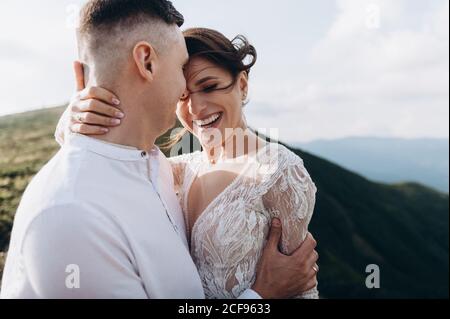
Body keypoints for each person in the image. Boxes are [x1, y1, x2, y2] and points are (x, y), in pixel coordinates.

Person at [1, 0, 318, 299]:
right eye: (181, 72)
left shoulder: (157, 170)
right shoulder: (78, 209)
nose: (192, 103)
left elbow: (303, 286)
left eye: (207, 86)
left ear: (243, 84)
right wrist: (259, 296)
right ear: (146, 62)